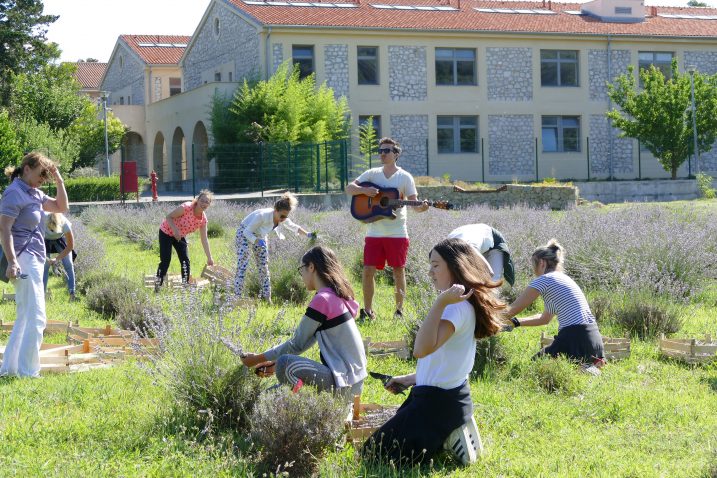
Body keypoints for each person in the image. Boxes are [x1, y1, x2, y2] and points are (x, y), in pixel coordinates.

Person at [363, 238, 505, 466]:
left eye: (436, 265)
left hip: (436, 403)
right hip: (449, 397)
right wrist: (410, 379)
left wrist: (439, 303)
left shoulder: (454, 308)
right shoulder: (460, 305)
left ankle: (446, 435)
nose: (430, 272)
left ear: (456, 266)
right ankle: (448, 430)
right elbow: (444, 362)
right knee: (384, 445)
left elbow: (420, 350)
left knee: (373, 455)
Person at [240, 245, 367, 400]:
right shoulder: (337, 296)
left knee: (285, 363)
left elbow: (296, 344)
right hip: (352, 385)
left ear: (311, 267)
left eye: (302, 270)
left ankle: (300, 398)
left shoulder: (322, 299)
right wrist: (272, 364)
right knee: (263, 398)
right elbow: (306, 342)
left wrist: (256, 359)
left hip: (343, 384)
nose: (301, 276)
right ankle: (296, 396)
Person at [0, 152, 68, 378]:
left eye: (46, 176)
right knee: (37, 316)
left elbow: (61, 206)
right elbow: (4, 231)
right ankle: (28, 372)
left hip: (35, 258)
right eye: (41, 174)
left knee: (25, 316)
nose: (43, 179)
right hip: (24, 258)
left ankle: (10, 369)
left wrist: (59, 180)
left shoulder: (35, 194)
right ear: (26, 168)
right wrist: (12, 262)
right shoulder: (14, 193)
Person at [345, 137, 429, 320]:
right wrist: (364, 191)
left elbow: (414, 204)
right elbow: (349, 188)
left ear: (396, 154)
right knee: (368, 270)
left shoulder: (405, 177)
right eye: (380, 151)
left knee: (399, 271)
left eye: (387, 151)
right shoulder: (372, 173)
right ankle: (367, 311)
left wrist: (421, 207)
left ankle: (399, 311)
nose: (382, 154)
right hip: (374, 232)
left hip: (397, 232)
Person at [503, 239, 605, 366]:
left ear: (541, 263)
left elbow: (512, 309)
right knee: (579, 372)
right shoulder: (563, 280)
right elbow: (544, 318)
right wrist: (515, 322)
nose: (534, 271)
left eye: (533, 266)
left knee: (535, 365)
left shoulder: (544, 280)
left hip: (574, 337)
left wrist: (486, 319)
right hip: (594, 341)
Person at [234, 192, 315, 302]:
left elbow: (294, 227)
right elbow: (246, 232)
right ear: (275, 210)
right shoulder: (262, 216)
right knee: (243, 265)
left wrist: (308, 234)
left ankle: (268, 299)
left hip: (260, 236)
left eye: (286, 216)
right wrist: (256, 241)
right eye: (282, 216)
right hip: (244, 234)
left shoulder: (283, 217)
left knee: (263, 267)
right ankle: (237, 297)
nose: (283, 219)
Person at [155, 189, 215, 289]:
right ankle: (157, 287)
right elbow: (168, 217)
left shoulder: (203, 220)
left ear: (209, 205)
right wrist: (175, 231)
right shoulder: (186, 207)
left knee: (185, 260)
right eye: (202, 200)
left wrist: (209, 257)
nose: (204, 203)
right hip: (166, 232)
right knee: (165, 260)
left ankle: (185, 285)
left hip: (179, 236)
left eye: (207, 202)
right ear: (197, 200)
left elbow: (204, 239)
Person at [447, 223, 515, 286]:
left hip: (492, 238)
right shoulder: (444, 250)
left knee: (492, 281)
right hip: (469, 235)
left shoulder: (470, 247)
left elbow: (490, 272)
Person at [41, 212, 77, 301]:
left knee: (69, 264)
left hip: (59, 240)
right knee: (44, 267)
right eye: (49, 228)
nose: (51, 230)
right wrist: (45, 258)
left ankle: (72, 293)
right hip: (44, 240)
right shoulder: (40, 220)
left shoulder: (65, 224)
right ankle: (41, 295)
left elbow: (70, 246)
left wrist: (57, 259)